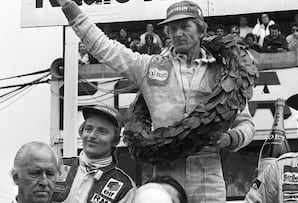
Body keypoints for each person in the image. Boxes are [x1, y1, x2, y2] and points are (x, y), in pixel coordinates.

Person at [57, 0, 257, 202]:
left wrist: (230, 139)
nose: (178, 33)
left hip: (208, 180)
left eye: (185, 27)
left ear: (201, 31)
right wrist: (69, 8)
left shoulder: (222, 72)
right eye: (173, 28)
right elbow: (104, 47)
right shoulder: (149, 67)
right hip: (164, 179)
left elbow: (247, 124)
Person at [51, 105, 137, 203]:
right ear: (81, 132)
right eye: (88, 129)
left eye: (102, 131)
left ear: (115, 140)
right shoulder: (58, 166)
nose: (92, 136)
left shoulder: (125, 186)